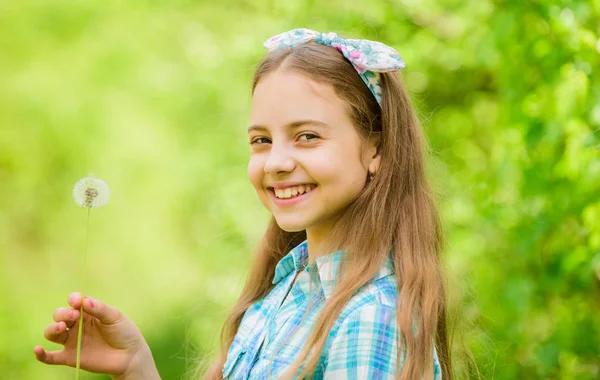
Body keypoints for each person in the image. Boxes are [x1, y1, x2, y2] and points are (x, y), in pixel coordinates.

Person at [34, 28, 451, 379]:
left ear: (375, 149)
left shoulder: (369, 321)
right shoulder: (285, 290)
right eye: (261, 140)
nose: (277, 162)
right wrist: (138, 367)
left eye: (308, 136)